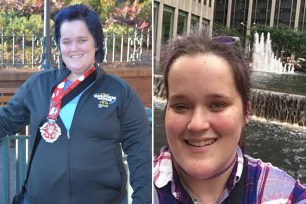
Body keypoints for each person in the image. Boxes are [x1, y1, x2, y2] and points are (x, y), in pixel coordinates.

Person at [0, 4, 151, 204]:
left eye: (82, 40)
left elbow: (141, 150)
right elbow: (7, 120)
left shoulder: (119, 91)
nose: (74, 49)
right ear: (59, 45)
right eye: (66, 41)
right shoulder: (39, 85)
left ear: (96, 43)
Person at [153, 29, 306, 203]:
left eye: (217, 105)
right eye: (181, 106)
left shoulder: (286, 196)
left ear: (246, 112)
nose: (197, 124)